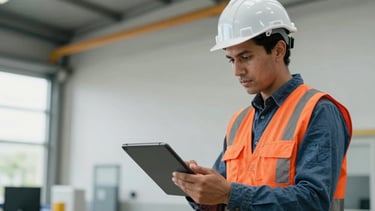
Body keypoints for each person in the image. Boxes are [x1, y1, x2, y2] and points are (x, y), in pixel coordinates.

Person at [172, 0, 352, 210]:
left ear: (278, 50)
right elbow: (223, 200)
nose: (237, 71)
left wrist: (229, 193)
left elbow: (313, 200)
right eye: (232, 60)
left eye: (245, 57)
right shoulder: (239, 122)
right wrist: (199, 191)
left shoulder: (318, 111)